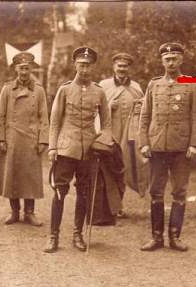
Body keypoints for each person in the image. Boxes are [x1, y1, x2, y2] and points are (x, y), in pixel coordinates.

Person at [44, 47, 112, 253]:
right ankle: (53, 236)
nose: (84, 69)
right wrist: (53, 147)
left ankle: (77, 234)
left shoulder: (99, 92)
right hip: (66, 148)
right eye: (81, 64)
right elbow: (54, 121)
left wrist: (103, 141)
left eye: (88, 65)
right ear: (75, 65)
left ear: (92, 67)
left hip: (89, 151)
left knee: (83, 192)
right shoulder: (64, 90)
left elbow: (107, 124)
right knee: (59, 192)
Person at [138, 42, 196, 251]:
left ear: (181, 60)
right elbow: (145, 115)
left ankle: (175, 237)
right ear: (162, 61)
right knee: (156, 191)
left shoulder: (191, 85)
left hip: (181, 147)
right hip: (157, 145)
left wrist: (194, 144)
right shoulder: (154, 85)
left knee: (179, 191)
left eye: (174, 58)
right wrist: (144, 143)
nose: (171, 62)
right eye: (167, 59)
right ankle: (156, 238)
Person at [0, 52, 49, 226]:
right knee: (12, 174)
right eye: (21, 68)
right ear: (16, 69)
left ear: (31, 68)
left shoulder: (39, 90)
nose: (24, 72)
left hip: (31, 139)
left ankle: (30, 212)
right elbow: (0, 115)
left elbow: (44, 117)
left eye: (27, 68)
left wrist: (43, 140)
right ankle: (15, 212)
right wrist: (1, 138)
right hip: (12, 139)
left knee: (30, 176)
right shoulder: (7, 89)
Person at [99, 53, 144, 218]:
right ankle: (106, 207)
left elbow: (143, 111)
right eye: (119, 66)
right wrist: (109, 106)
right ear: (114, 67)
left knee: (123, 170)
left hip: (129, 137)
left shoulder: (136, 88)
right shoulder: (104, 86)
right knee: (108, 170)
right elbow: (95, 109)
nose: (122, 69)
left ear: (129, 68)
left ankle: (118, 206)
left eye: (125, 66)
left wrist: (139, 107)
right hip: (109, 136)